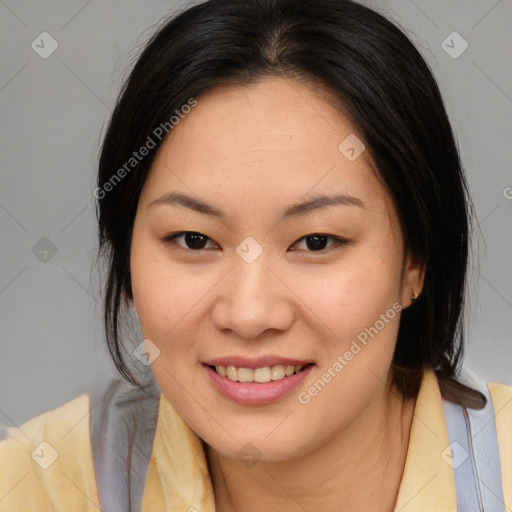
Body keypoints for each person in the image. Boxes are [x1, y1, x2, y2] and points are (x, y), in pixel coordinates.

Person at [1, 0, 511, 510]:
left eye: (316, 242)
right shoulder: (38, 484)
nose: (249, 315)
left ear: (414, 263)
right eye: (194, 240)